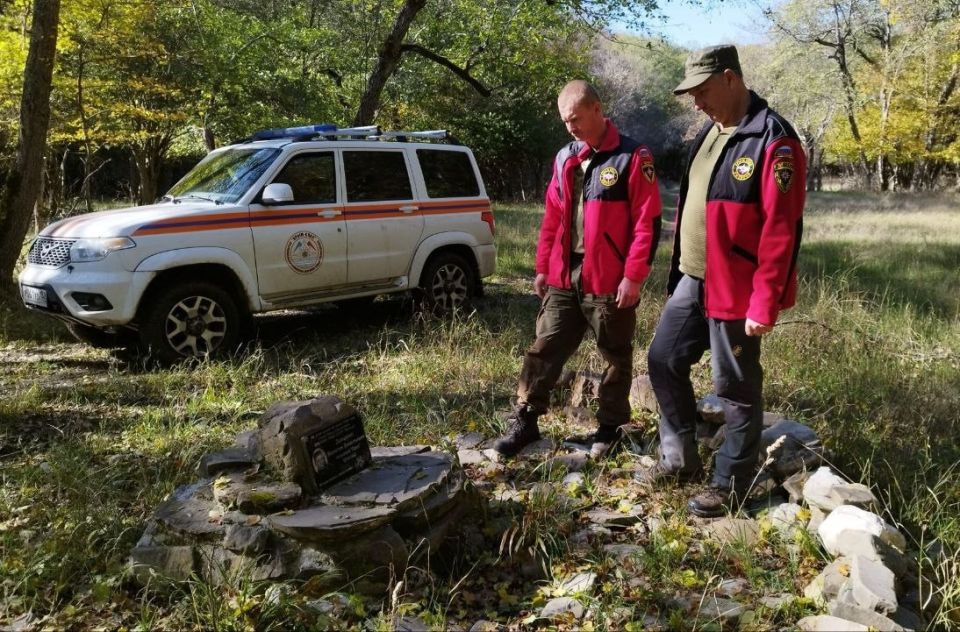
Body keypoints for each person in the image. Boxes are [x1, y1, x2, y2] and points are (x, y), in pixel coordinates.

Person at [636, 45, 806, 517]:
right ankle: (679, 457)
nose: (696, 103)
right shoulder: (710, 134)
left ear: (730, 79)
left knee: (734, 387)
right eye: (691, 94)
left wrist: (764, 303)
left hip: (738, 288)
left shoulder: (774, 139)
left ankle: (730, 482)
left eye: (703, 91)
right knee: (663, 358)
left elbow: (781, 230)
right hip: (694, 278)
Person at [493, 80, 663, 460]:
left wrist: (633, 275)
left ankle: (611, 427)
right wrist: (542, 267)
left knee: (615, 357)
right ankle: (525, 419)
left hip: (609, 278)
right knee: (544, 347)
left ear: (597, 109)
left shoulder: (633, 156)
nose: (571, 128)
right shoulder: (565, 158)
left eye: (576, 119)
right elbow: (553, 217)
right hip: (563, 276)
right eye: (565, 122)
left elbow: (647, 222)